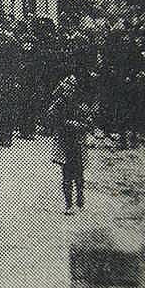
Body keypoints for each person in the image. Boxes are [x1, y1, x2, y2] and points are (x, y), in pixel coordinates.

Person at [47, 74, 93, 215]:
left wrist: (82, 124)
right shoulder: (59, 103)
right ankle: (68, 204)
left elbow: (90, 121)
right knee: (67, 174)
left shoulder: (80, 104)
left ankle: (80, 199)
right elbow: (51, 118)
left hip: (78, 142)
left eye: (72, 88)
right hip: (65, 142)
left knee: (79, 173)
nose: (69, 91)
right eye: (67, 88)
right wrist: (69, 123)